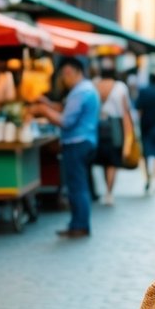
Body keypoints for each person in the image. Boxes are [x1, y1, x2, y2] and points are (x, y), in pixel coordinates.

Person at [28, 56, 99, 238]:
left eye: (64, 75)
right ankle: (78, 224)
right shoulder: (86, 89)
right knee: (79, 185)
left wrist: (43, 111)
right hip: (85, 141)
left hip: (77, 143)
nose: (63, 79)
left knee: (77, 186)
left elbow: (66, 121)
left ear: (71, 72)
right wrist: (49, 105)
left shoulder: (80, 92)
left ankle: (79, 225)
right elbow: (66, 110)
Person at [92, 60, 135, 206]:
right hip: (115, 125)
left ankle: (106, 189)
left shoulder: (95, 85)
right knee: (113, 159)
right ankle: (109, 192)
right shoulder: (120, 87)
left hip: (98, 125)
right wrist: (129, 132)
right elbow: (125, 111)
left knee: (104, 160)